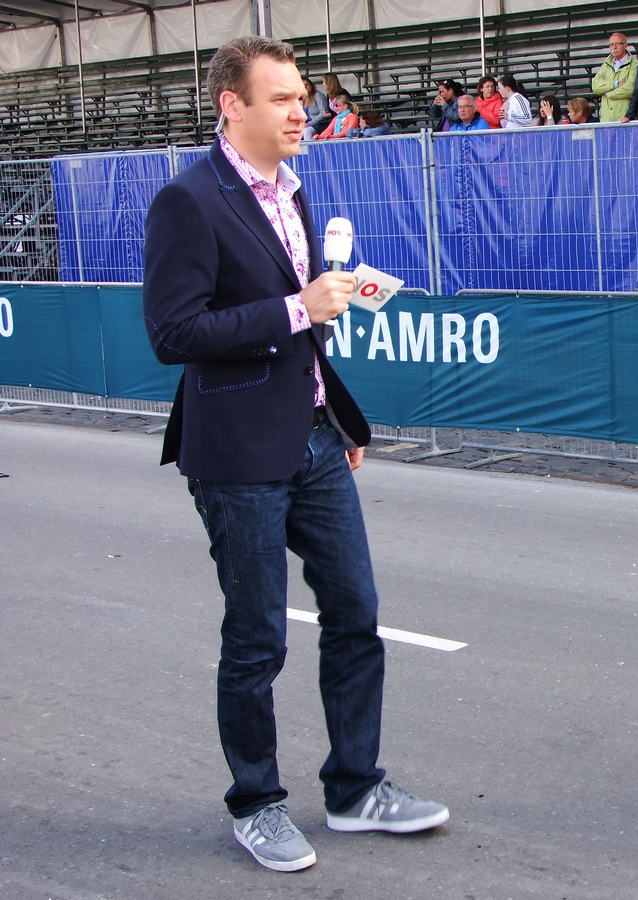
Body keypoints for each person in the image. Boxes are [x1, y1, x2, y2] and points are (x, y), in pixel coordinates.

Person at [141, 34, 449, 874]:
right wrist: (296, 308)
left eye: (302, 98)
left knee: (356, 612)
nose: (299, 112)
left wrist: (337, 417)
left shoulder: (294, 191)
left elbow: (306, 328)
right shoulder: (188, 200)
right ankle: (257, 803)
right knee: (257, 639)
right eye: (280, 98)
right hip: (236, 451)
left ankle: (354, 789)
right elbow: (173, 333)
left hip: (313, 437)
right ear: (231, 105)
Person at [591, 32, 638, 122]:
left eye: (618, 44)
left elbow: (631, 88)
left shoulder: (635, 64)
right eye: (611, 44)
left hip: (625, 120)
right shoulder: (606, 64)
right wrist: (615, 84)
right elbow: (595, 86)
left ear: (625, 45)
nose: (614, 47)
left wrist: (608, 93)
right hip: (606, 120)